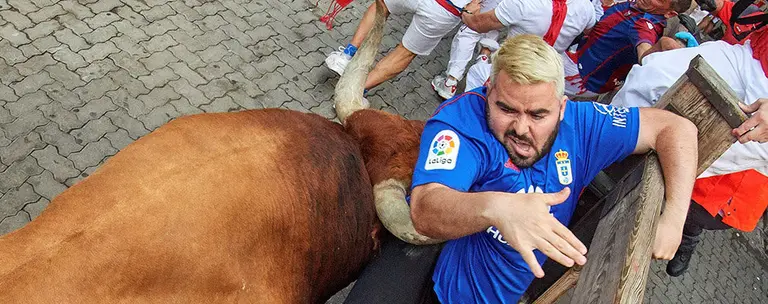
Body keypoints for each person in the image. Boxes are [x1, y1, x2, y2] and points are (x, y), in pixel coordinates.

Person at [408, 34, 698, 303]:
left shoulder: (583, 126)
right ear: (488, 91)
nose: (521, 128)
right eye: (506, 109)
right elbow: (425, 208)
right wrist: (496, 207)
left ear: (562, 108)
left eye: (538, 115)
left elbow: (676, 128)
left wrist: (673, 219)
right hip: (452, 294)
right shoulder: (464, 122)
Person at [611, 15, 768, 276]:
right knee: (649, 78)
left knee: (691, 178)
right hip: (754, 58)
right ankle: (591, 151)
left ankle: (679, 232)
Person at [445, 0, 598, 98]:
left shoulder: (523, 3)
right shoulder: (586, 8)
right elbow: (591, 33)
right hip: (542, 81)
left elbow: (477, 24)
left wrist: (469, 11)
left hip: (508, 73)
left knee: (477, 76)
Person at [324, 0, 473, 96]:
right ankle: (353, 92)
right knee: (405, 53)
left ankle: (346, 56)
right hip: (447, 10)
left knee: (381, 6)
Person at [562, 0, 692, 98]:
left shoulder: (645, 25)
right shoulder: (639, 6)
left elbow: (645, 56)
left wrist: (663, 45)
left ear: (669, 13)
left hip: (581, 75)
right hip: (579, 58)